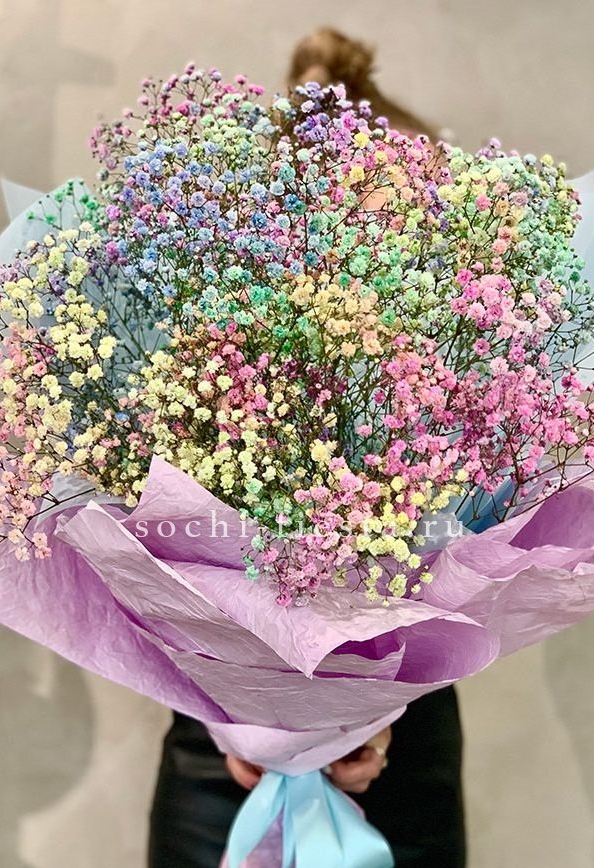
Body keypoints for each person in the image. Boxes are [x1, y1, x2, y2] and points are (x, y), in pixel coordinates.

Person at [147, 29, 465, 868]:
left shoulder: (462, 376)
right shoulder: (195, 357)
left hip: (406, 751)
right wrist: (245, 722)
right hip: (219, 756)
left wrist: (369, 721)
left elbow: (477, 553)